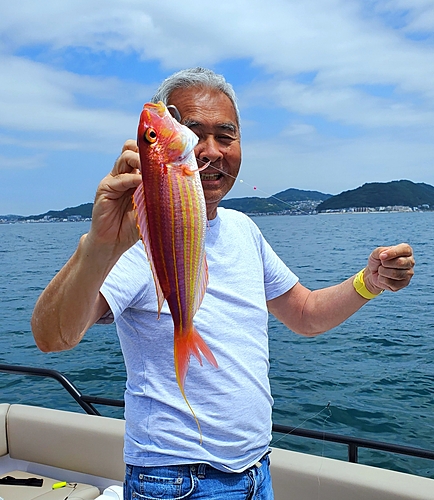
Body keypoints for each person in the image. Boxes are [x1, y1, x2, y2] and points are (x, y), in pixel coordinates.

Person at [31, 67, 415, 500]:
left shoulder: (243, 229)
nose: (209, 150)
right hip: (177, 481)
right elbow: (53, 337)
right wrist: (100, 245)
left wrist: (370, 281)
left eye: (226, 136)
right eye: (193, 132)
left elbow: (305, 315)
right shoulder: (138, 237)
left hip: (255, 470)